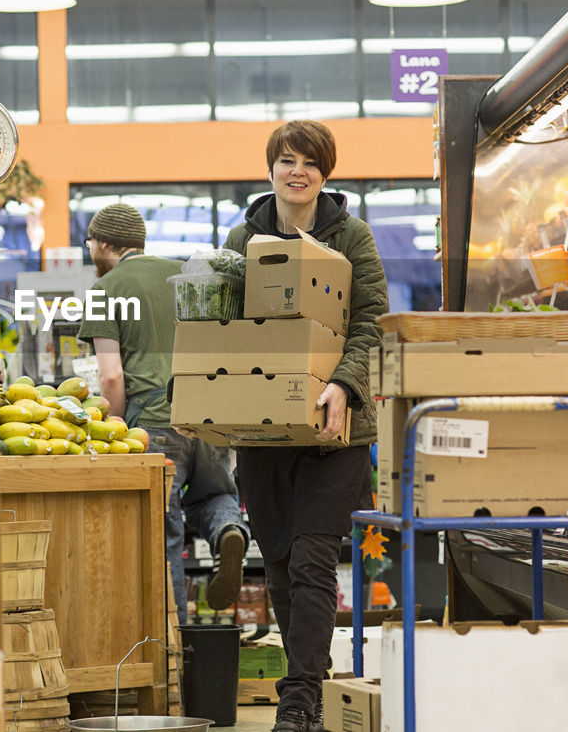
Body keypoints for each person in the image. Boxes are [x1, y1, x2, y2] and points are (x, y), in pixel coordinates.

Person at [222, 121, 387, 732]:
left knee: (316, 558)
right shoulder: (242, 238)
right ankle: (308, 698)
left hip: (334, 431)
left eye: (310, 163)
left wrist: (342, 384)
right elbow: (223, 328)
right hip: (265, 434)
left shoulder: (353, 236)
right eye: (287, 161)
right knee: (285, 566)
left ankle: (298, 702)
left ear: (326, 172)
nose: (299, 172)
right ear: (270, 169)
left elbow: (370, 320)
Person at [77, 202, 251, 622]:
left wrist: (114, 430)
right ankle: (228, 530)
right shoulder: (188, 274)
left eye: (90, 245)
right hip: (209, 414)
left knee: (163, 538)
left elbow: (112, 377)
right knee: (217, 494)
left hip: (153, 424)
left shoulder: (105, 290)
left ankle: (172, 653)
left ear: (103, 244)